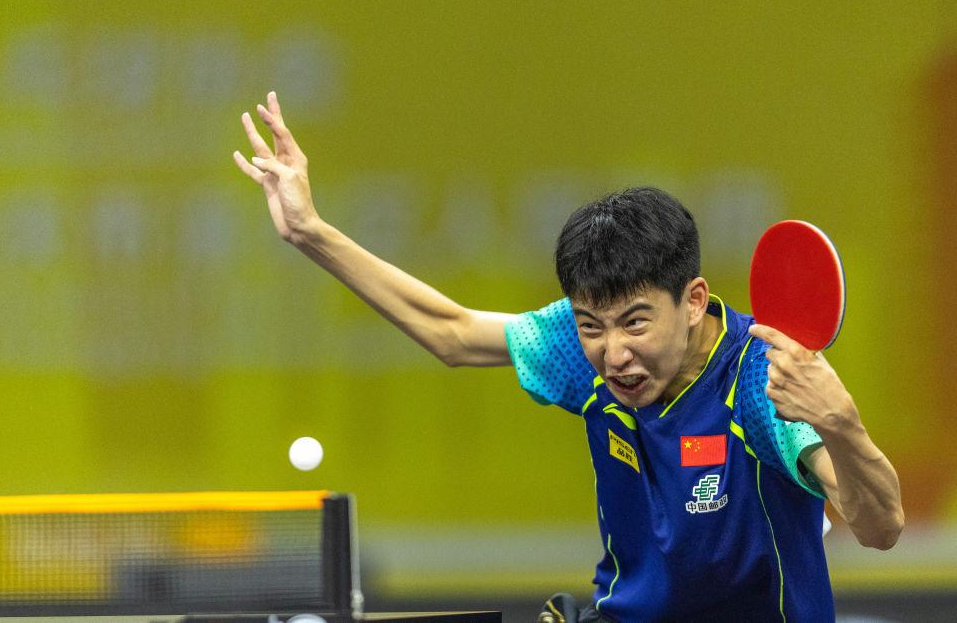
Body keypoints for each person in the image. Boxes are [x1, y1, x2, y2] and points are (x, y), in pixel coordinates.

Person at [233, 92, 904, 622]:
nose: (614, 353)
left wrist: (841, 424)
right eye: (592, 325)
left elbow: (880, 527)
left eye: (635, 322)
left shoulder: (759, 379)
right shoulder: (578, 350)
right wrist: (309, 233)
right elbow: (452, 332)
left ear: (693, 300)